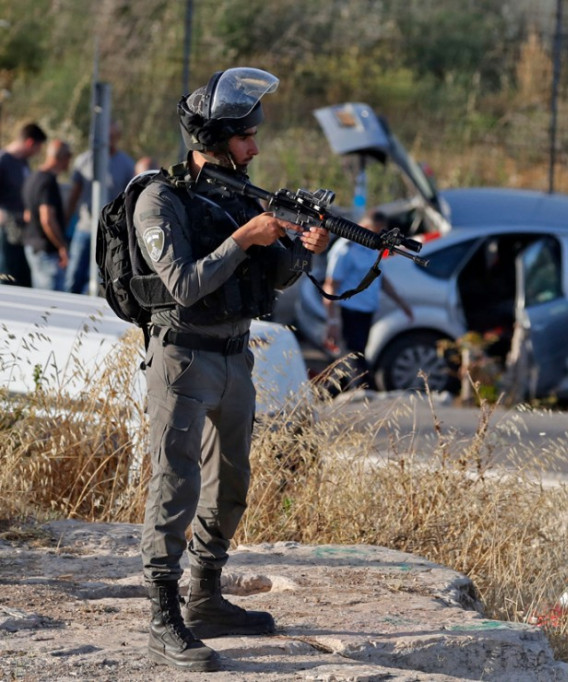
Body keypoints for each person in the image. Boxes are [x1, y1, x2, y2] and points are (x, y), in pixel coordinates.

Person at [133, 67, 329, 672]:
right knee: (175, 484)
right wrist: (246, 236)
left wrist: (303, 250)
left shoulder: (241, 194)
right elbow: (185, 284)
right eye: (244, 136)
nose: (255, 146)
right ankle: (163, 617)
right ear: (214, 137)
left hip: (234, 357)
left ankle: (205, 595)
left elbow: (272, 276)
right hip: (183, 357)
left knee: (233, 482)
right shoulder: (158, 199)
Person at [322, 209, 412, 387]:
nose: (379, 236)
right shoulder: (345, 249)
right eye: (375, 231)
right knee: (354, 357)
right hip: (348, 311)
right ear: (363, 227)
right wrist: (332, 320)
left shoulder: (374, 248)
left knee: (352, 358)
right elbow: (331, 285)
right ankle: (363, 390)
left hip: (366, 311)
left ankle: (331, 393)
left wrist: (402, 304)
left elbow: (381, 279)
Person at [64, 121, 135, 294]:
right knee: (73, 277)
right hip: (85, 228)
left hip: (109, 233)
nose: (109, 140)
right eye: (106, 136)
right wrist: (65, 222)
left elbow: (129, 199)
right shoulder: (85, 160)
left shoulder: (126, 164)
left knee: (102, 278)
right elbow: (74, 194)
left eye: (112, 137)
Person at [0, 122, 47, 287]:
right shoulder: (3, 161)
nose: (37, 153)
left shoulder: (23, 163)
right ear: (29, 143)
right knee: (8, 276)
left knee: (22, 279)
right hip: (6, 230)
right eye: (38, 147)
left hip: (22, 230)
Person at [21, 139, 72, 291]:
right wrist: (61, 246)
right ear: (63, 158)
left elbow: (27, 215)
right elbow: (47, 219)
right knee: (51, 306)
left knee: (40, 299)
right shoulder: (48, 182)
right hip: (46, 252)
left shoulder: (32, 177)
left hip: (32, 246)